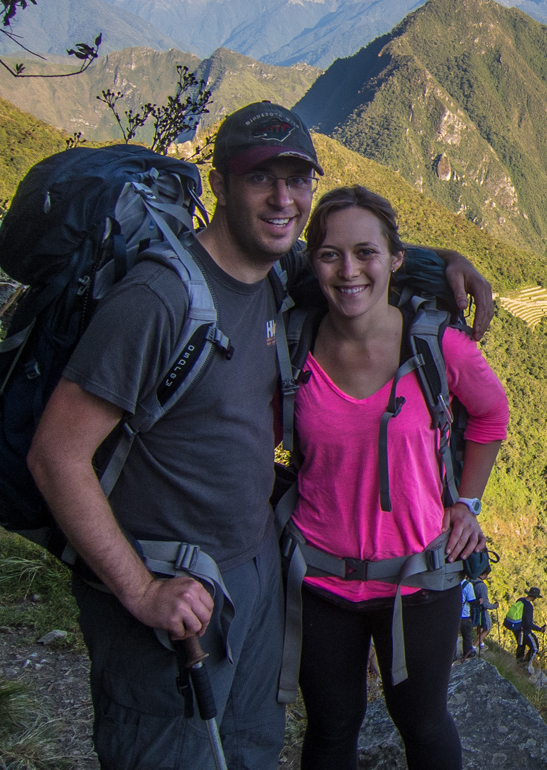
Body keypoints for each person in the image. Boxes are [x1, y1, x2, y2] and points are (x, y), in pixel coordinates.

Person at [26, 102, 494, 769]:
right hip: (170, 590)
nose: (283, 198)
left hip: (256, 581)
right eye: (258, 178)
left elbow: (358, 262)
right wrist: (138, 590)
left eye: (296, 178)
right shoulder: (160, 300)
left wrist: (445, 260)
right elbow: (56, 455)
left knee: (249, 749)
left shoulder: (278, 278)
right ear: (218, 185)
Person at [290, 186, 508, 770]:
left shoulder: (438, 345)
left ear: (395, 259)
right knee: (332, 728)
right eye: (330, 255)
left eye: (367, 253)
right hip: (319, 579)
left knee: (424, 723)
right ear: (312, 264)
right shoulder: (294, 343)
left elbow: (491, 414)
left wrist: (467, 502)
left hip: (419, 578)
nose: (350, 270)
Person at [514, 587, 547, 667]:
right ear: (534, 597)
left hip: (516, 628)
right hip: (525, 631)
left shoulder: (520, 600)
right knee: (534, 648)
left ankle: (518, 664)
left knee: (521, 646)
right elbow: (529, 623)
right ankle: (525, 665)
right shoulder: (529, 606)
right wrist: (540, 629)